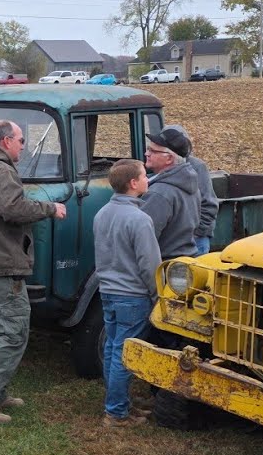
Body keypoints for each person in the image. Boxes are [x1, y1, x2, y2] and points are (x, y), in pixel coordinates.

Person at [0, 119, 67, 425]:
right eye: (21, 140)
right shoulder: (1, 170)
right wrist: (50, 209)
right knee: (14, 333)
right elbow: (13, 209)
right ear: (6, 141)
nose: (24, 145)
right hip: (0, 267)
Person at [93, 159, 159, 428]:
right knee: (124, 353)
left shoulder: (101, 214)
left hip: (107, 291)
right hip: (132, 296)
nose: (147, 179)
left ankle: (118, 404)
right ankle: (116, 413)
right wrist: (157, 295)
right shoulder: (140, 220)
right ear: (133, 184)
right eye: (144, 176)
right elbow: (150, 264)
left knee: (111, 348)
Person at [140, 127, 200, 260]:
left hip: (163, 267)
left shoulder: (159, 194)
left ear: (169, 159)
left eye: (152, 151)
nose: (146, 153)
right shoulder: (189, 181)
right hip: (184, 263)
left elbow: (143, 240)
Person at [165, 124, 219, 255]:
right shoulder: (161, 166)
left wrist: (196, 233)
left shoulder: (196, 166)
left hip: (196, 239)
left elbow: (209, 203)